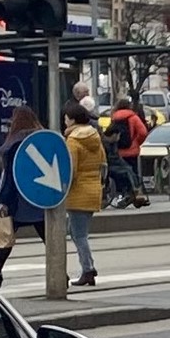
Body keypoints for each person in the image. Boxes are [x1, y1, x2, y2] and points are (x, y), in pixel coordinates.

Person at [0, 106, 45, 288]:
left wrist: (3, 201)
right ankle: (61, 273)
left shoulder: (15, 143)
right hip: (38, 197)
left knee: (7, 234)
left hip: (17, 198)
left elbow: (11, 177)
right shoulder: (41, 138)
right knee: (47, 237)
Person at [63, 100, 106, 287]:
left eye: (66, 118)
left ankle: (88, 269)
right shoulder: (94, 136)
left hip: (78, 192)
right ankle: (88, 267)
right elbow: (103, 163)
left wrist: (63, 189)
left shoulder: (73, 141)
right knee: (75, 231)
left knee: (79, 235)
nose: (65, 122)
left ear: (72, 120)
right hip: (93, 190)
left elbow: (71, 169)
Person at [106, 96, 150, 207]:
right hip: (132, 151)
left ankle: (124, 194)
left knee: (122, 175)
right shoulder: (133, 117)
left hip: (119, 152)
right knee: (133, 173)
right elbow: (143, 132)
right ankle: (136, 196)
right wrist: (136, 142)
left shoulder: (114, 118)